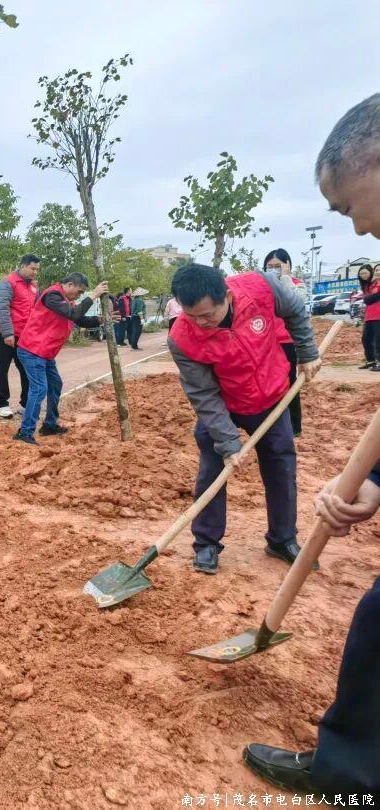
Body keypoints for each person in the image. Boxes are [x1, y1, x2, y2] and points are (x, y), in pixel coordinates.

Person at [243, 90, 380, 799]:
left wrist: (305, 360)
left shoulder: (271, 296)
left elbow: (298, 326)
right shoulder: (186, 336)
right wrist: (376, 482)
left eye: (348, 204)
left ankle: (351, 774)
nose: (357, 227)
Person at [167, 263, 319, 575]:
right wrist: (228, 441)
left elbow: (295, 311)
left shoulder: (261, 287)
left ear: (227, 296)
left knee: (281, 467)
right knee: (212, 470)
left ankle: (282, 539)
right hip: (222, 404)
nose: (200, 323)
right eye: (192, 316)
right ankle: (206, 543)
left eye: (207, 315)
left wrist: (307, 352)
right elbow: (204, 394)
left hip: (271, 397)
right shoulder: (181, 337)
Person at [13, 273, 112, 445]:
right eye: (79, 291)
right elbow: (73, 314)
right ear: (70, 285)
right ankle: (25, 432)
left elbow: (79, 318)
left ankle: (49, 425)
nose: (79, 295)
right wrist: (93, 296)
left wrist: (100, 320)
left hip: (45, 353)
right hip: (32, 350)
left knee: (55, 385)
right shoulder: (52, 295)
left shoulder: (66, 300)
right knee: (39, 389)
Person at [264, 248, 308, 436]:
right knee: (268, 383)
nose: (273, 269)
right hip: (266, 342)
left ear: (287, 265)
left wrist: (285, 279)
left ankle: (294, 426)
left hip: (287, 342)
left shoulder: (297, 285)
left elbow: (296, 304)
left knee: (289, 383)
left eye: (278, 266)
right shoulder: (262, 286)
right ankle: (273, 423)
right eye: (269, 266)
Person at [0, 254, 40, 419]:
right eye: (33, 268)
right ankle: (2, 404)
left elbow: (35, 310)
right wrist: (7, 333)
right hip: (7, 334)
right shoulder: (7, 283)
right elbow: (1, 309)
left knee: (26, 368)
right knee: (3, 367)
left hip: (25, 335)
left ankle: (26, 404)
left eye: (37, 269)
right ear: (23, 266)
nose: (35, 272)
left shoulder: (33, 287)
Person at [357, 263, 380, 370]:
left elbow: (370, 298)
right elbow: (367, 299)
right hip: (370, 315)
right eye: (377, 270)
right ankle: (371, 360)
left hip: (378, 316)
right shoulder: (370, 284)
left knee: (378, 340)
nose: (378, 272)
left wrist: (369, 298)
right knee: (366, 339)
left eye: (365, 273)